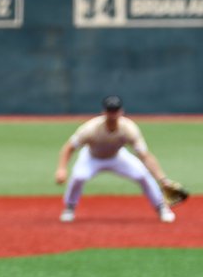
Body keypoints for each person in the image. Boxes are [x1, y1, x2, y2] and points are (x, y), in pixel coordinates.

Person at [54, 95, 178, 224]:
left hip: (117, 157)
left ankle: (161, 207)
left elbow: (144, 155)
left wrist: (163, 179)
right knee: (79, 177)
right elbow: (69, 147)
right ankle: (69, 208)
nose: (113, 114)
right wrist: (61, 169)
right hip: (91, 158)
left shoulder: (129, 128)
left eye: (115, 110)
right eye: (110, 110)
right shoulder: (90, 128)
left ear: (121, 111)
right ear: (104, 112)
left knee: (142, 175)